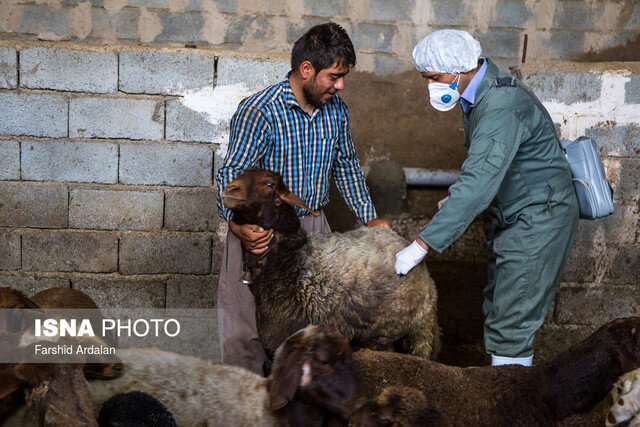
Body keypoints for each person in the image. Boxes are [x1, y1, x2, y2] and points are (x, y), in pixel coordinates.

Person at [395, 29, 579, 367]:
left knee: (512, 318)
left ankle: (511, 406)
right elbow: (489, 167)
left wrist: (421, 245)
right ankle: (504, 386)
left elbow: (479, 180)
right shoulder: (480, 95)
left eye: (433, 77)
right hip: (517, 213)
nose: (430, 86)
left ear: (458, 69)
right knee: (499, 306)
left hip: (536, 217)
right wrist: (455, 202)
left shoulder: (500, 107)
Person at [215, 22, 391, 374]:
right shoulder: (260, 111)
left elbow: (347, 168)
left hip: (314, 230)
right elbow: (231, 177)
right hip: (261, 233)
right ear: (306, 69)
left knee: (315, 327)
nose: (340, 85)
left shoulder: (336, 111)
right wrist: (236, 225)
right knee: (244, 330)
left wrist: (370, 218)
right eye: (334, 76)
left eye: (343, 77)